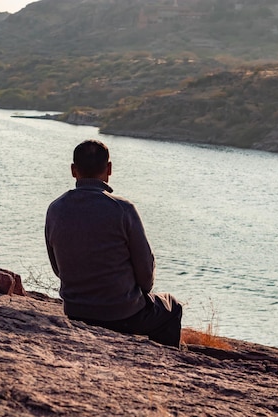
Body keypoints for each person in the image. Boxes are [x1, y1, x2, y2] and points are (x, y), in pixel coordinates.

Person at [45, 139, 182, 347]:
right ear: (109, 169)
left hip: (75, 310)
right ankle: (163, 365)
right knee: (173, 307)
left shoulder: (55, 209)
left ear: (73, 170)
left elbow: (57, 268)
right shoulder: (123, 209)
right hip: (123, 314)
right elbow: (146, 277)